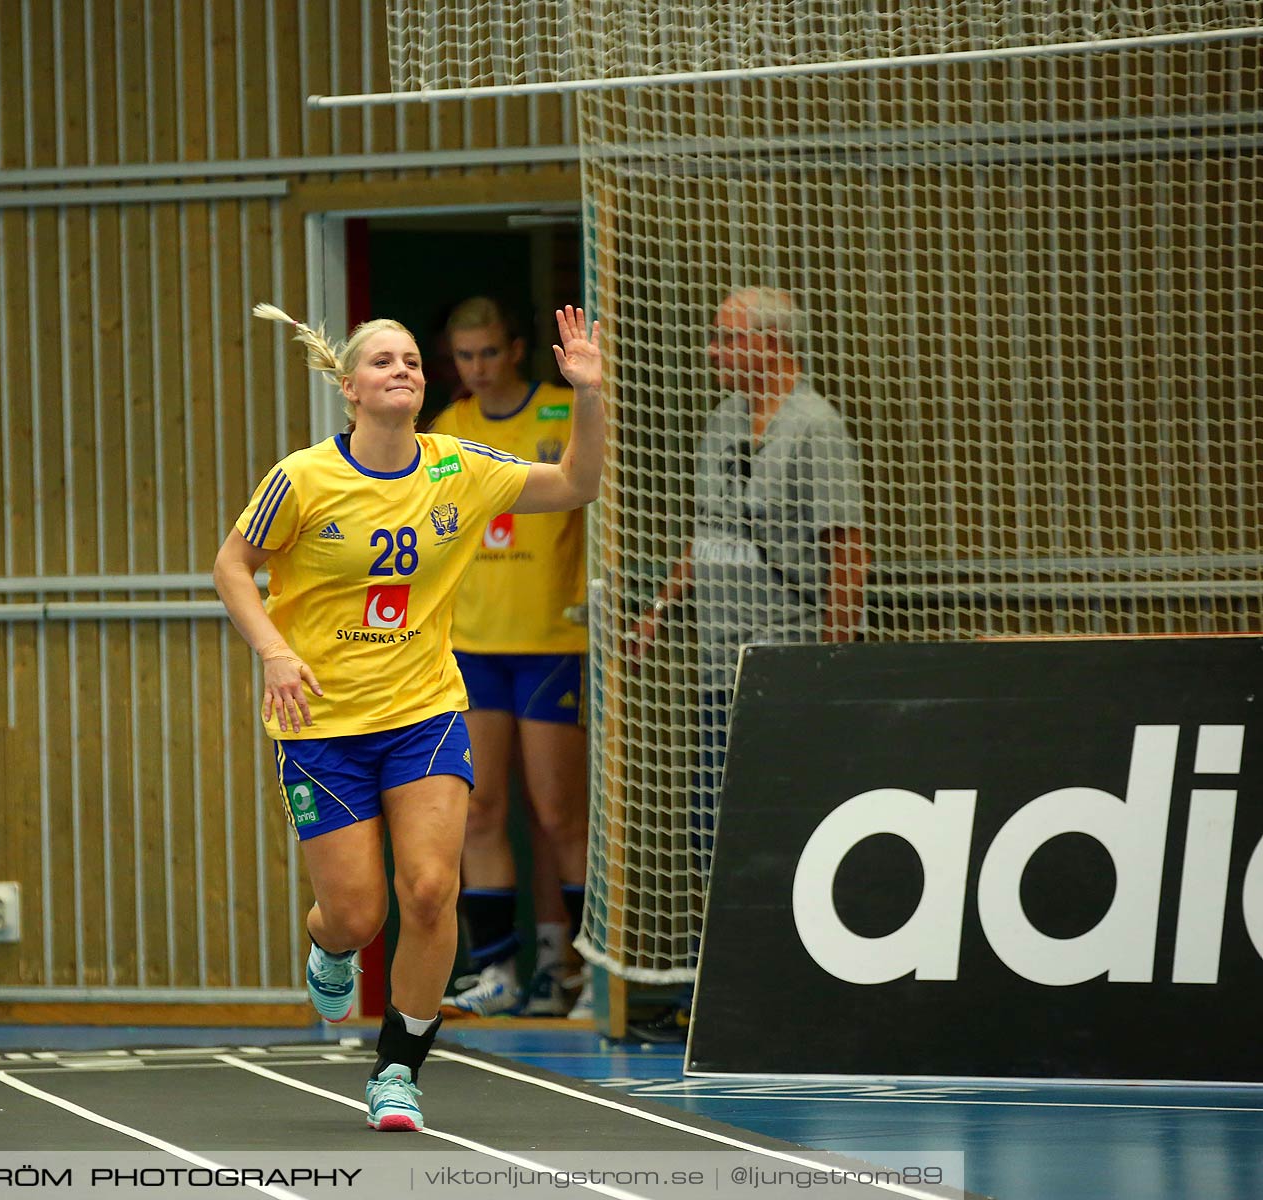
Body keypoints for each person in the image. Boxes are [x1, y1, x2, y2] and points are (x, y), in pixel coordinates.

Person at [213, 302, 605, 1132]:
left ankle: (398, 1067)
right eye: (385, 361)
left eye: (413, 363)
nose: (404, 371)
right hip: (322, 723)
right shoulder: (305, 477)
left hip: (424, 711)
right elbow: (232, 564)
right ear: (349, 387)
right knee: (358, 914)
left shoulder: (457, 467)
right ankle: (330, 944)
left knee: (429, 890)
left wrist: (589, 396)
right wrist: (275, 653)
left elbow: (577, 483)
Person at [634, 286, 868, 1018]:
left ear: (770, 345)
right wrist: (660, 610)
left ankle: (789, 983)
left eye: (726, 340)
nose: (713, 353)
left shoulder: (814, 429)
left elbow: (846, 549)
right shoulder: (723, 421)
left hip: (782, 666)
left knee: (782, 824)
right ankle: (726, 985)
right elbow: (706, 531)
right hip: (716, 667)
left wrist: (831, 663)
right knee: (714, 826)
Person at [424, 298, 592, 1020]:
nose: (478, 368)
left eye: (489, 352)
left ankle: (581, 971)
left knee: (558, 812)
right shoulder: (449, 428)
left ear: (517, 349)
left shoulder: (562, 408)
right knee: (480, 806)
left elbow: (595, 492)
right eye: (464, 356)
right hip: (473, 648)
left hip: (553, 640)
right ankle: (496, 969)